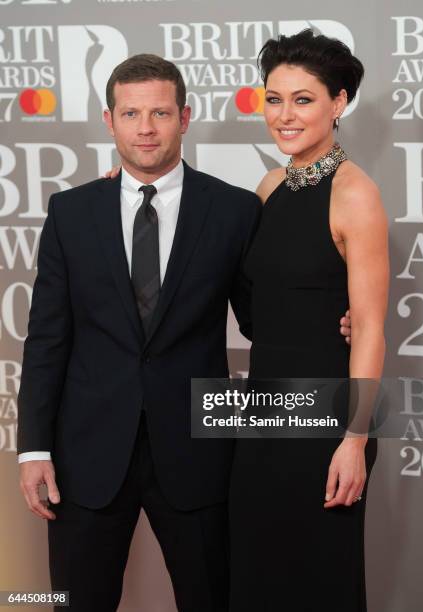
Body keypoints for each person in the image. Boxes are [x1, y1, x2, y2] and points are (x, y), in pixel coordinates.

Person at [17, 53, 351, 612]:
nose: (145, 128)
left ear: (185, 117)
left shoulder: (234, 210)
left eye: (160, 113)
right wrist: (33, 448)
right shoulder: (71, 212)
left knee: (212, 599)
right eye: (131, 114)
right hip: (87, 456)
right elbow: (47, 338)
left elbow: (263, 318)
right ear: (109, 120)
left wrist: (335, 320)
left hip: (198, 454)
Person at [229, 30, 389, 612]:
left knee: (319, 577)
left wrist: (355, 438)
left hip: (326, 418)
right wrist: (124, 191)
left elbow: (369, 327)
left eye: (303, 99)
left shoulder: (355, 195)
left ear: (338, 103)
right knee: (256, 574)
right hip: (262, 411)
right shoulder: (269, 186)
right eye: (274, 98)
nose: (284, 114)